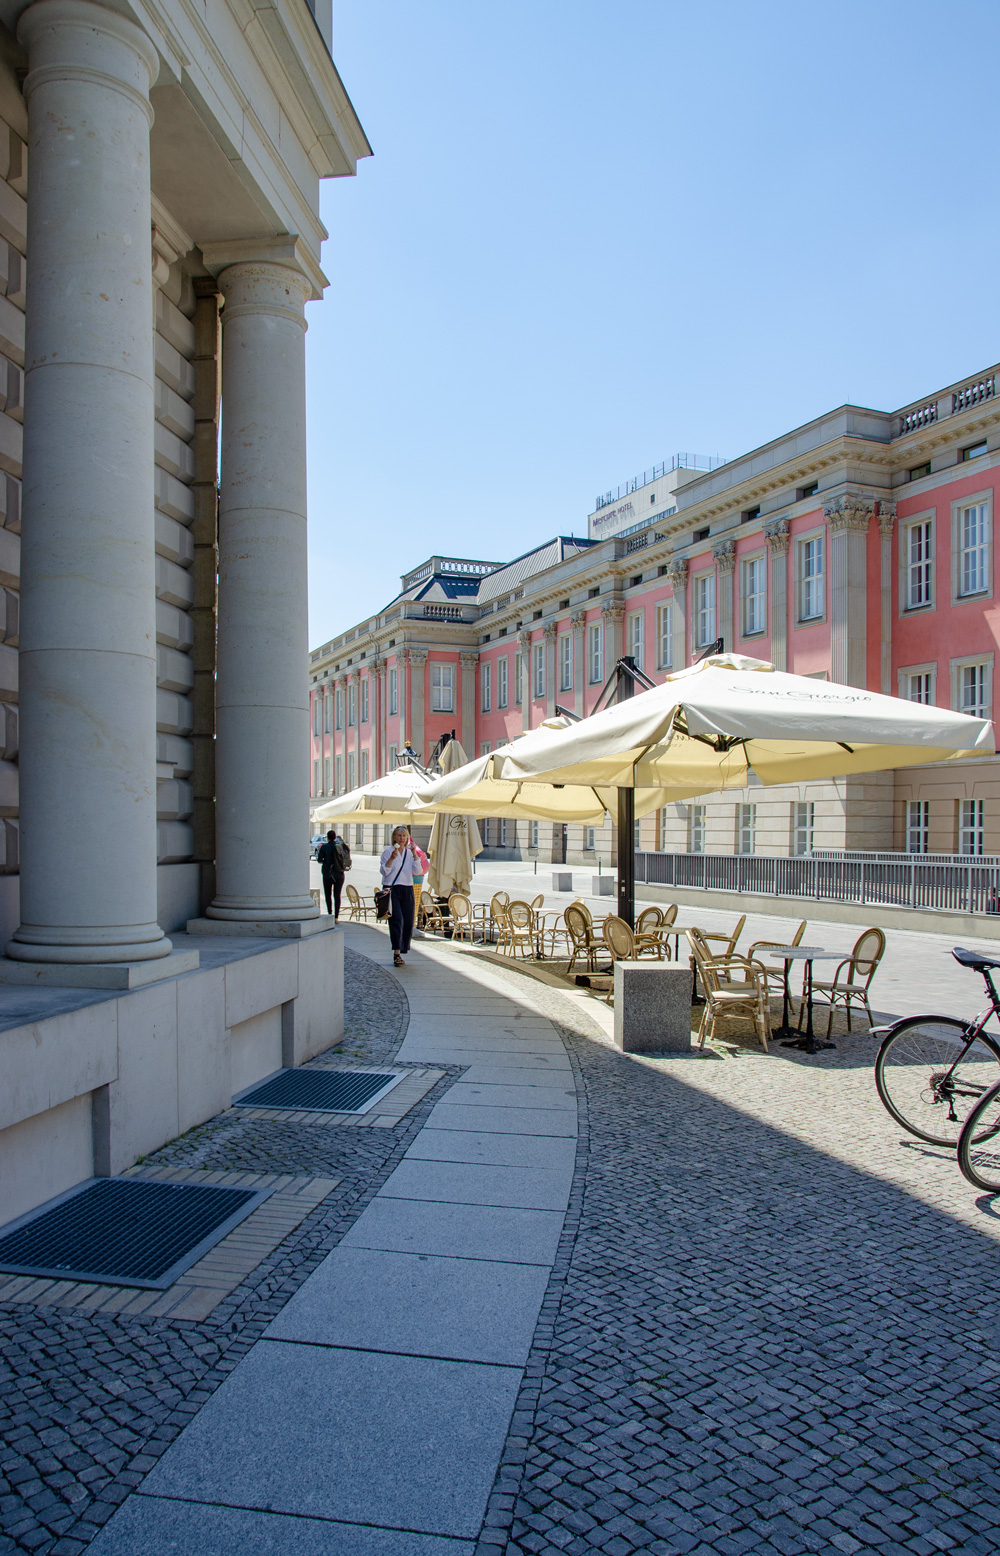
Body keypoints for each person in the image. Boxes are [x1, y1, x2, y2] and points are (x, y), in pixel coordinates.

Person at [379, 824, 416, 966]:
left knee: (407, 921)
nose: (401, 838)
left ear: (407, 838)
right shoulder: (388, 852)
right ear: (394, 837)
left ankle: (403, 948)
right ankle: (396, 953)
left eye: (404, 836)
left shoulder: (409, 853)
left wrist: (416, 855)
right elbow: (384, 872)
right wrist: (392, 859)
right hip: (392, 889)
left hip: (407, 888)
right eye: (399, 835)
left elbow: (417, 870)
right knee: (397, 920)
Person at [317, 829, 350, 919]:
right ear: (335, 837)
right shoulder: (340, 846)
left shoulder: (324, 847)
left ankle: (330, 914)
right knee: (337, 895)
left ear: (328, 838)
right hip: (339, 873)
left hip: (328, 874)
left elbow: (319, 860)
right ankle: (336, 916)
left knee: (328, 895)